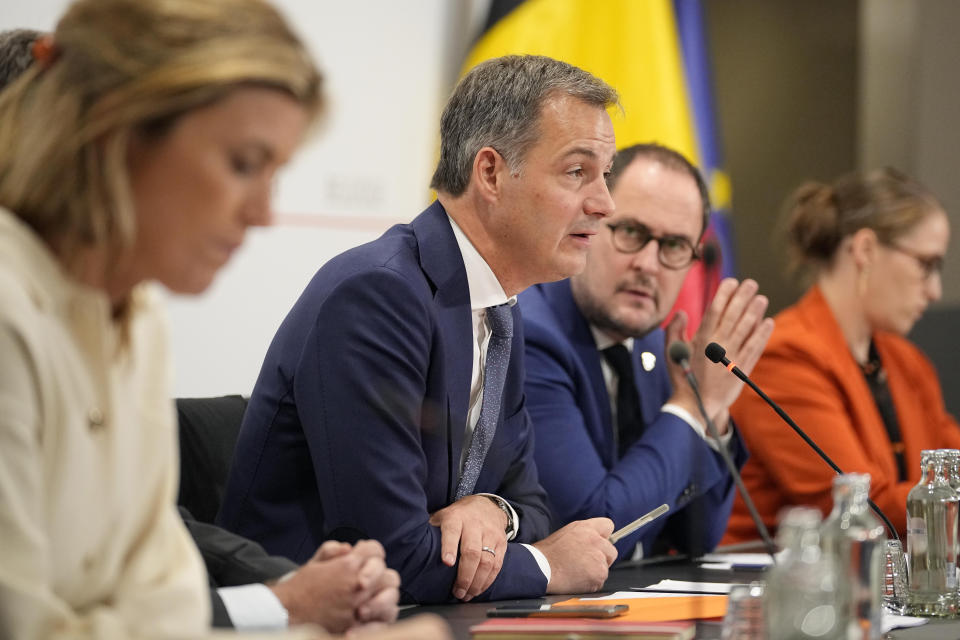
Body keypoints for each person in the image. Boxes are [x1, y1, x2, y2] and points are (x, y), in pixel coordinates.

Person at [0, 8, 445, 640]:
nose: (263, 214)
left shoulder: (138, 318)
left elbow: (165, 610)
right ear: (117, 130)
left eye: (275, 173)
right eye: (243, 164)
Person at [220, 54, 620, 605]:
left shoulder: (500, 306)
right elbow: (389, 555)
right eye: (578, 172)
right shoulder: (377, 296)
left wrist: (492, 511)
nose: (604, 203)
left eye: (605, 175)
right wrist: (549, 565)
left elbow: (530, 503)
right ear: (491, 173)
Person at [519, 143, 773, 559]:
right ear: (588, 221)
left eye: (674, 246)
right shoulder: (532, 335)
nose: (649, 265)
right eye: (632, 233)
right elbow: (593, 529)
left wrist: (715, 410)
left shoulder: (657, 348)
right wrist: (693, 406)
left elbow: (695, 537)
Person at [724, 167, 960, 542]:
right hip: (776, 590)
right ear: (865, 249)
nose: (934, 290)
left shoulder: (908, 362)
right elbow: (863, 509)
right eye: (926, 265)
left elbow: (951, 467)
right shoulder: (785, 357)